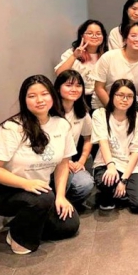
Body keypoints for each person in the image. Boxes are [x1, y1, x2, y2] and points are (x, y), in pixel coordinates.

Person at [0, 75, 79, 254]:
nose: (40, 100)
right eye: (32, 96)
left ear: (53, 96)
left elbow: (63, 164)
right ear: (24, 100)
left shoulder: (61, 125)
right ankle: (19, 238)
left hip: (39, 190)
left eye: (44, 94)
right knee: (43, 199)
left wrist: (61, 196)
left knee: (69, 225)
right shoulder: (11, 128)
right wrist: (26, 184)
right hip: (4, 191)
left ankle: (22, 224)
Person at [92, 79, 138, 213]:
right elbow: (103, 142)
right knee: (107, 181)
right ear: (112, 95)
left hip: (130, 165)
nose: (125, 99)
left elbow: (136, 152)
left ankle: (121, 191)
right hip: (107, 162)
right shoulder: (100, 114)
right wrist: (111, 166)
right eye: (120, 95)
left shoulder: (137, 118)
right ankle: (110, 194)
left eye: (129, 96)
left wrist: (124, 180)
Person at [93, 22, 138, 128]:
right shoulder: (109, 57)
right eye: (133, 35)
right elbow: (99, 87)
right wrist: (114, 111)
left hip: (129, 108)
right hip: (103, 106)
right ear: (125, 39)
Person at [54, 71, 95, 207]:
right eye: (69, 85)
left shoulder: (82, 112)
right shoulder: (49, 112)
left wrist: (81, 161)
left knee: (85, 184)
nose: (74, 89)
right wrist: (65, 162)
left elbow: (88, 137)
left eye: (78, 85)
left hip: (70, 163)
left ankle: (63, 206)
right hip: (49, 164)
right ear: (58, 88)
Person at [55, 19, 108, 108]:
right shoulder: (72, 52)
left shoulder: (107, 55)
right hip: (77, 98)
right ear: (82, 35)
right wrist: (74, 56)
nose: (94, 36)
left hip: (100, 99)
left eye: (98, 34)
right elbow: (59, 74)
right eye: (90, 33)